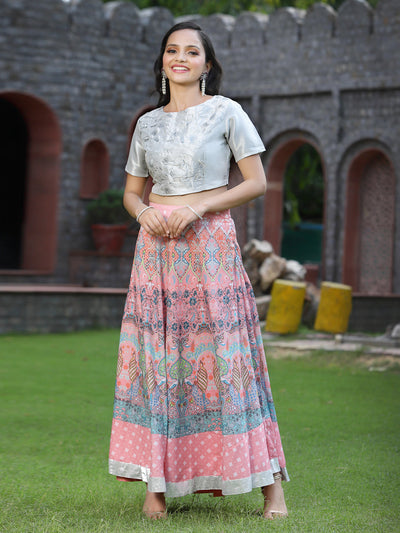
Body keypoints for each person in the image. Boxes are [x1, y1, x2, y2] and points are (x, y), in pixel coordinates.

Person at [109, 21, 289, 520]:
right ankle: (156, 486)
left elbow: (256, 181)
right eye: (173, 50)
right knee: (159, 358)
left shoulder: (227, 112)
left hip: (209, 244)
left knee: (227, 356)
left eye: (192, 52)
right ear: (163, 62)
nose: (181, 58)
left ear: (207, 64)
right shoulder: (147, 124)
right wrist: (143, 214)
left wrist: (200, 208)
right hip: (157, 250)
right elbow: (132, 192)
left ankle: (271, 488)